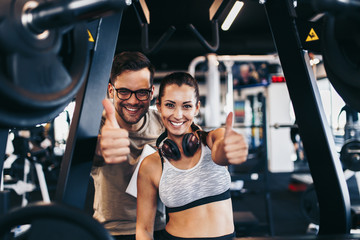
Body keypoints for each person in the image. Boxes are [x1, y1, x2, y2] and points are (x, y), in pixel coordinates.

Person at [136, 72, 248, 240]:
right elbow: (143, 229)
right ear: (159, 106)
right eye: (170, 105)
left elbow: (221, 151)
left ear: (197, 107)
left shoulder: (213, 139)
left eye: (187, 106)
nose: (178, 114)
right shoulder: (151, 165)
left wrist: (229, 148)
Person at [91, 51, 166, 240]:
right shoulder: (96, 126)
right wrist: (100, 148)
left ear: (152, 92)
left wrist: (219, 139)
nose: (133, 101)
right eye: (124, 91)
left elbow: (200, 136)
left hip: (157, 227)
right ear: (111, 90)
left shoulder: (163, 123)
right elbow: (85, 152)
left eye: (142, 92)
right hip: (112, 231)